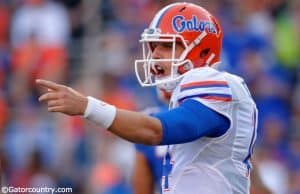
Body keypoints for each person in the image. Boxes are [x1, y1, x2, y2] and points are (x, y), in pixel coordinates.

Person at [37, 2, 258, 194]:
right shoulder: (186, 95)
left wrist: (87, 106)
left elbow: (155, 131)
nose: (155, 55)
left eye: (167, 45)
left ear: (201, 52)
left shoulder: (217, 83)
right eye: (153, 46)